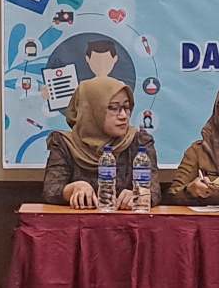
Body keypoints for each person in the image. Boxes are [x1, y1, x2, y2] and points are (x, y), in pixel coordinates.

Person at [42, 76, 159, 209]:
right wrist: (73, 188)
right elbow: (51, 190)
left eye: (126, 107)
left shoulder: (139, 142)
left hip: (129, 221)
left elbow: (154, 191)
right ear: (90, 110)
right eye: (113, 108)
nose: (123, 116)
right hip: (78, 220)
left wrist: (140, 194)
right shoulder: (65, 143)